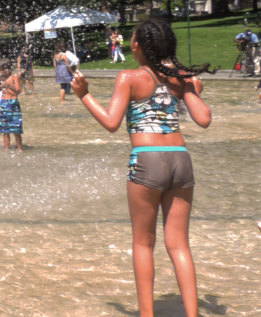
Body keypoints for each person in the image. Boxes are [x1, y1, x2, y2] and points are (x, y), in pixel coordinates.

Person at [71, 19, 212, 317]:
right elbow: (204, 119)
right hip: (181, 159)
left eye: (131, 40)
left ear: (137, 46)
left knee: (143, 244)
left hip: (147, 159)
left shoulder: (129, 77)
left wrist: (84, 95)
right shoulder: (180, 79)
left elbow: (111, 123)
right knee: (179, 245)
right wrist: (192, 90)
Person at [0, 59, 23, 151]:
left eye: (3, 69)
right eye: (0, 69)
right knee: (5, 130)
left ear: (9, 68)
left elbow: (18, 90)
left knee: (16, 130)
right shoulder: (0, 77)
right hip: (3, 104)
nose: (1, 71)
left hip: (13, 103)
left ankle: (20, 150)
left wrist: (8, 85)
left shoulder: (14, 76)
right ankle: (6, 150)